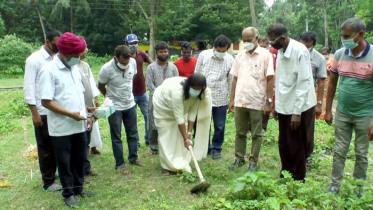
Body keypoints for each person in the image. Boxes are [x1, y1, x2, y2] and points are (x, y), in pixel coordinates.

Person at [38, 32, 95, 207]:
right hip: (62, 126)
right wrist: (71, 114)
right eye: (76, 55)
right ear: (65, 53)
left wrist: (86, 109)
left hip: (79, 122)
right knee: (65, 162)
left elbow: (76, 94)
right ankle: (68, 193)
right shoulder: (48, 71)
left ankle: (79, 187)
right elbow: (46, 101)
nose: (79, 58)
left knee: (79, 158)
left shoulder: (74, 68)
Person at [325, 18, 373, 196]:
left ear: (360, 35)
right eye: (342, 35)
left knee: (361, 154)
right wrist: (328, 110)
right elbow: (331, 84)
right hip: (343, 113)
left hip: (366, 115)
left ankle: (357, 190)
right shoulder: (339, 54)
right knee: (339, 151)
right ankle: (334, 186)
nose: (344, 39)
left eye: (347, 36)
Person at [267, 23, 316, 182]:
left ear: (283, 38)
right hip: (285, 104)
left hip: (299, 106)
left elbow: (303, 82)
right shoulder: (281, 50)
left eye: (273, 40)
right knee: (284, 142)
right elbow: (280, 80)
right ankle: (285, 172)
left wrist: (297, 112)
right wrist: (277, 106)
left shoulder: (299, 51)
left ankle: (298, 177)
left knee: (296, 143)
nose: (271, 44)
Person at [228, 27, 275, 172]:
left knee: (256, 133)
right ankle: (239, 158)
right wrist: (232, 100)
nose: (247, 43)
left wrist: (268, 102)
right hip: (240, 101)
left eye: (250, 40)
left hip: (256, 101)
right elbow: (235, 79)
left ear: (256, 38)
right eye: (244, 40)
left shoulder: (265, 55)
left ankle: (253, 161)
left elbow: (270, 79)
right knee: (240, 132)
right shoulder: (240, 56)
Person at [23, 30, 62, 192]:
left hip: (55, 109)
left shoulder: (57, 58)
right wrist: (34, 113)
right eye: (55, 44)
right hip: (42, 111)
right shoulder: (34, 60)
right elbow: (29, 87)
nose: (58, 47)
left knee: (56, 145)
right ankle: (48, 181)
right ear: (47, 42)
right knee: (45, 147)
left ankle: (53, 173)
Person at [98, 45, 145, 175]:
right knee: (116, 136)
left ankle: (133, 158)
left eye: (128, 61)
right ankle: (120, 164)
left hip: (130, 104)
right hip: (114, 107)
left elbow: (131, 78)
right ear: (115, 58)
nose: (126, 64)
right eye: (123, 62)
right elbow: (101, 85)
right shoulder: (106, 69)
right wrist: (110, 98)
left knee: (133, 133)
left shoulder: (133, 63)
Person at [152, 74, 212, 175]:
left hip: (180, 107)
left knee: (181, 135)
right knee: (166, 135)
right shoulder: (177, 92)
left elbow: (192, 113)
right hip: (163, 105)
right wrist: (186, 139)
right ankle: (166, 166)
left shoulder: (200, 94)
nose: (196, 91)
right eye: (194, 89)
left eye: (199, 89)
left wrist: (188, 133)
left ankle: (181, 160)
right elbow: (179, 117)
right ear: (189, 86)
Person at [195, 34, 234, 160]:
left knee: (219, 125)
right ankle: (205, 147)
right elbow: (197, 74)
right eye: (219, 50)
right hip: (203, 96)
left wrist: (231, 100)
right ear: (214, 47)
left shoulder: (230, 59)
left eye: (224, 51)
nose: (221, 53)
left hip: (221, 97)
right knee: (203, 123)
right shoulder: (203, 55)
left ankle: (217, 148)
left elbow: (231, 80)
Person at [299, 31, 327, 168]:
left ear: (313, 45)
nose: (304, 47)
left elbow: (321, 82)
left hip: (309, 100)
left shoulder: (319, 59)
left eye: (308, 46)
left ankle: (307, 156)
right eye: (302, 44)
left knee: (307, 129)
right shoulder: (295, 55)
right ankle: (295, 155)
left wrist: (319, 104)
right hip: (294, 98)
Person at [146, 41, 179, 156]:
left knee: (169, 123)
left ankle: (168, 146)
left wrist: (169, 97)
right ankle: (153, 147)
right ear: (156, 53)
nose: (164, 53)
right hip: (155, 100)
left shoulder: (174, 68)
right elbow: (150, 85)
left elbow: (177, 84)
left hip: (170, 101)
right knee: (153, 124)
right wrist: (160, 96)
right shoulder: (150, 68)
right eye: (161, 52)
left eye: (165, 51)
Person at [77, 47, 102, 178]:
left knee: (87, 138)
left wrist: (95, 100)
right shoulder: (72, 67)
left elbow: (91, 84)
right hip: (77, 110)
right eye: (84, 47)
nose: (87, 50)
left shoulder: (85, 66)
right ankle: (80, 169)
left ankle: (86, 167)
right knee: (80, 140)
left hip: (89, 108)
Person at [125, 34, 153, 147]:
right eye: (131, 43)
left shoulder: (141, 53)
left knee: (148, 116)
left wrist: (147, 74)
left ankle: (149, 139)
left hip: (142, 92)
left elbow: (151, 63)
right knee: (132, 120)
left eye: (135, 43)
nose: (134, 45)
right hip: (129, 94)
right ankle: (135, 143)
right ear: (126, 44)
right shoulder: (123, 56)